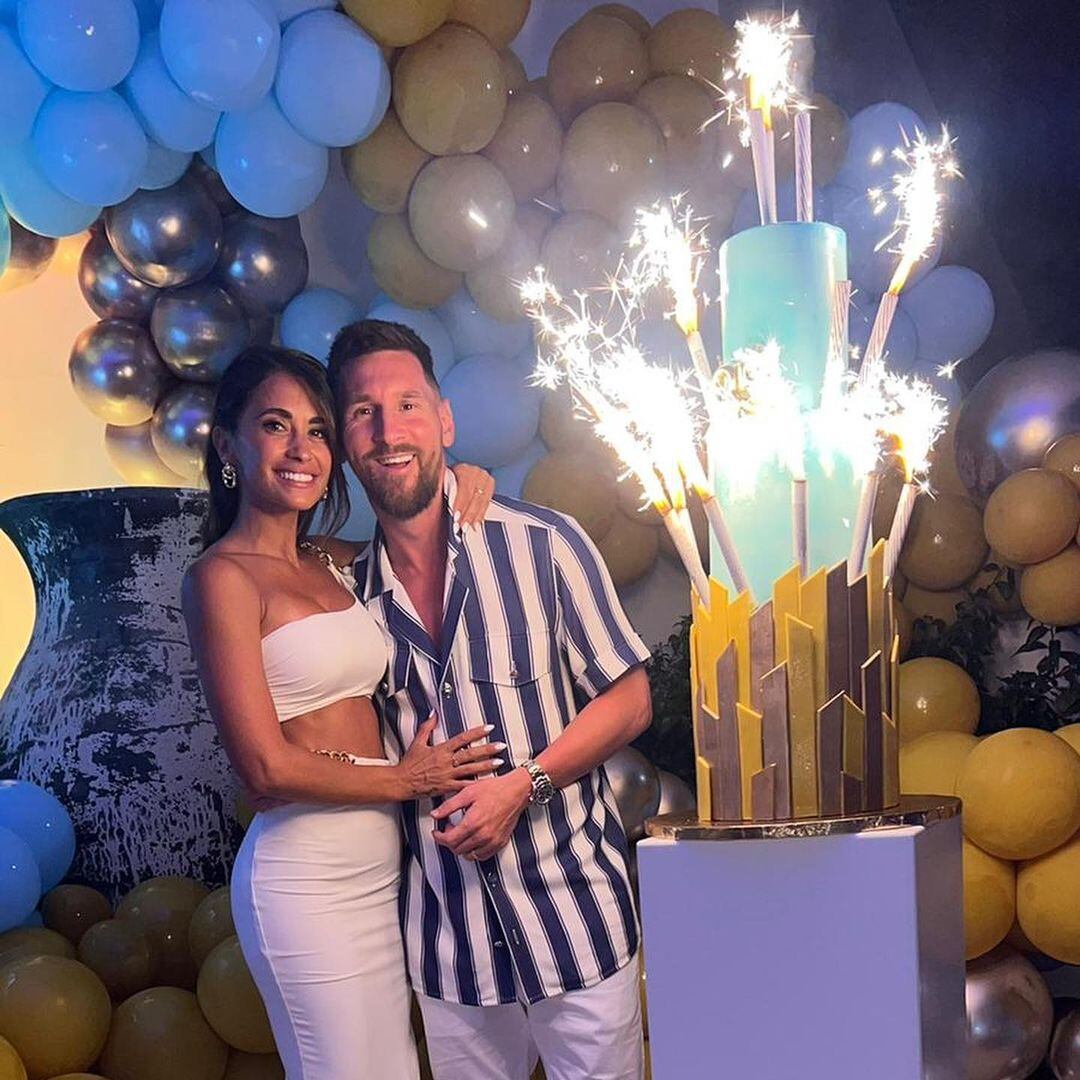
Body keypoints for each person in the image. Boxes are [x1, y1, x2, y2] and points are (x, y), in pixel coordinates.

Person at [327, 320, 654, 1080]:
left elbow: (631, 698)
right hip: (450, 954)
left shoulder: (544, 544)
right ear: (344, 440)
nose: (388, 431)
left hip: (576, 924)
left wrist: (522, 785)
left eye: (408, 405)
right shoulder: (345, 600)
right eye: (363, 413)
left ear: (444, 420)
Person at [181, 345, 501, 1079]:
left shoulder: (329, 560)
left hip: (378, 873)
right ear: (227, 445)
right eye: (275, 425)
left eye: (318, 431)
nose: (302, 449)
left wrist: (464, 479)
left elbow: (422, 525)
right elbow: (263, 768)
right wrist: (407, 779)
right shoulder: (221, 578)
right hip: (305, 880)